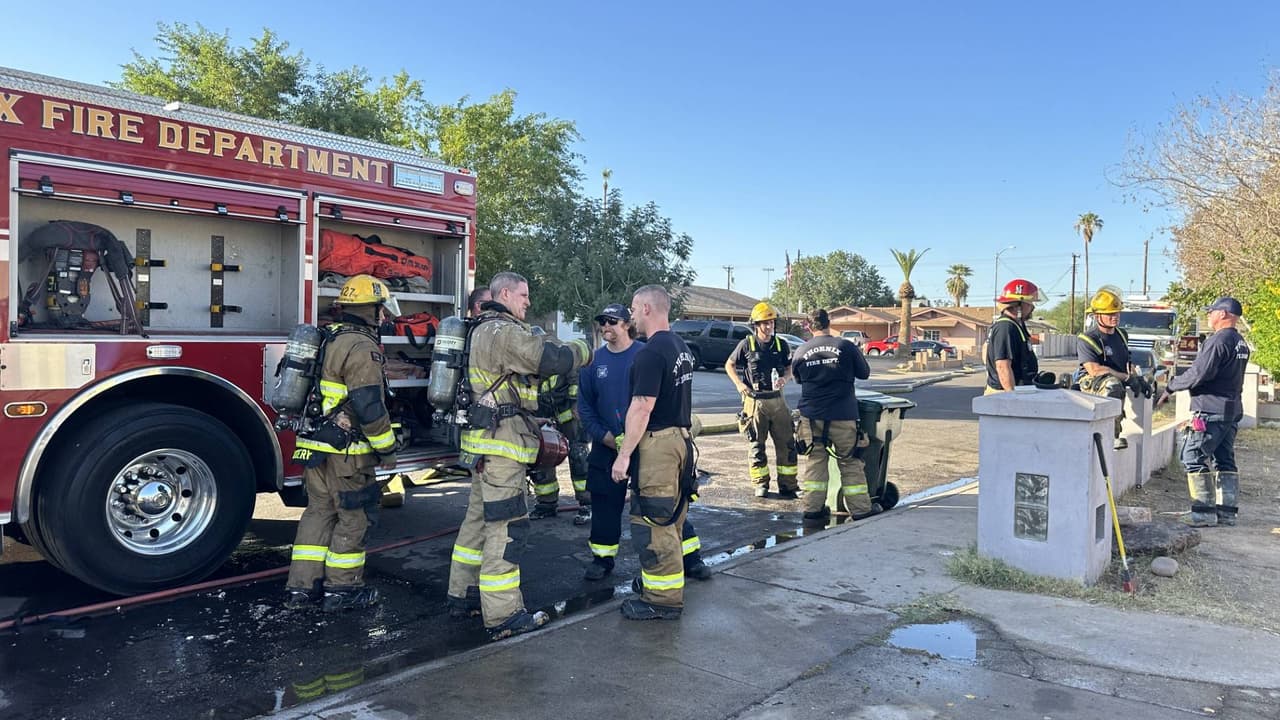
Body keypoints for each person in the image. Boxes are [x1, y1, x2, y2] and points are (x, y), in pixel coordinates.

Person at [445, 272, 592, 640]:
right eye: (524, 295)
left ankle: (463, 594)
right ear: (505, 294)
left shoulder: (479, 329)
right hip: (502, 450)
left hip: (481, 447)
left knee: (476, 523)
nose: (528, 302)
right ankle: (503, 615)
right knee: (506, 530)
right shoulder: (503, 331)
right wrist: (585, 350)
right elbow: (548, 358)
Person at [284, 274, 400, 613]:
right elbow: (368, 406)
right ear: (370, 310)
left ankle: (302, 589)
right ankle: (343, 590)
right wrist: (387, 449)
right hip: (346, 455)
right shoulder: (362, 347)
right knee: (353, 519)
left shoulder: (327, 337)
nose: (385, 317)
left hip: (314, 446)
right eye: (381, 310)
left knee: (318, 514)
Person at [579, 302, 712, 582]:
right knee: (604, 505)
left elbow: (653, 402)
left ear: (627, 324)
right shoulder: (593, 362)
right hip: (608, 446)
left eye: (612, 321)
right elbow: (585, 409)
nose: (605, 327)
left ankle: (690, 557)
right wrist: (607, 438)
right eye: (602, 321)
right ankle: (602, 558)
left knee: (661, 503)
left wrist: (630, 442)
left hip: (647, 445)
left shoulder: (646, 354)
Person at [611, 285, 697, 620]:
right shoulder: (680, 346)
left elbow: (642, 406)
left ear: (646, 308)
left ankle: (662, 600)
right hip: (681, 442)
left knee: (653, 522)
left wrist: (624, 456)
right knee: (673, 520)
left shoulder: (649, 353)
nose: (630, 315)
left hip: (658, 445)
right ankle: (661, 584)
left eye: (633, 308)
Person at [1158, 297, 1251, 527]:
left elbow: (1199, 373)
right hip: (1230, 411)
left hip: (1211, 409)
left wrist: (1171, 386)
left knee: (1193, 456)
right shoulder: (1240, 342)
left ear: (1224, 314)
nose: (1209, 316)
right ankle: (1227, 512)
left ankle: (1202, 512)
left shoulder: (1219, 341)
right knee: (1224, 459)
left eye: (1212, 312)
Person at [791, 308, 874, 522]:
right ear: (830, 323)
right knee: (850, 461)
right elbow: (864, 373)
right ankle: (860, 510)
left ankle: (812, 509)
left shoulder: (801, 351)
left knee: (815, 462)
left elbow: (798, 379)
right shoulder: (845, 346)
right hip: (843, 414)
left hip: (812, 417)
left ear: (809, 327)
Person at [725, 302, 798, 498]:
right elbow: (729, 365)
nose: (769, 327)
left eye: (771, 323)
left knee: (787, 443)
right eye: (765, 323)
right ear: (756, 325)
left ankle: (788, 485)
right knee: (757, 445)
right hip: (754, 401)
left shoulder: (782, 345)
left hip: (777, 400)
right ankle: (761, 484)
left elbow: (789, 367)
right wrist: (740, 385)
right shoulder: (746, 344)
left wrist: (786, 378)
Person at [1076, 287, 1146, 449]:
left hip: (1118, 378)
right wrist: (1126, 378)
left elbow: (1127, 363)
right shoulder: (1087, 338)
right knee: (1112, 385)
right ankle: (1111, 435)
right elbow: (1094, 370)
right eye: (1110, 314)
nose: (1115, 317)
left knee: (1116, 383)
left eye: (1117, 313)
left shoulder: (1122, 335)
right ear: (1097, 316)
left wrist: (1138, 378)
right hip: (1093, 382)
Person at [530, 345, 592, 525]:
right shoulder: (528, 363)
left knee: (578, 455)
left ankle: (587, 503)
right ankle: (546, 504)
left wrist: (575, 405)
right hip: (544, 417)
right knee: (543, 456)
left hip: (569, 416)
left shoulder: (561, 361)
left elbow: (577, 382)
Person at [985, 278, 1044, 394]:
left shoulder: (1015, 325)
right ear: (1019, 305)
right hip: (1004, 394)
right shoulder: (1006, 327)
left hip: (1018, 390)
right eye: (1030, 303)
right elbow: (1002, 366)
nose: (1033, 308)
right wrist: (1012, 398)